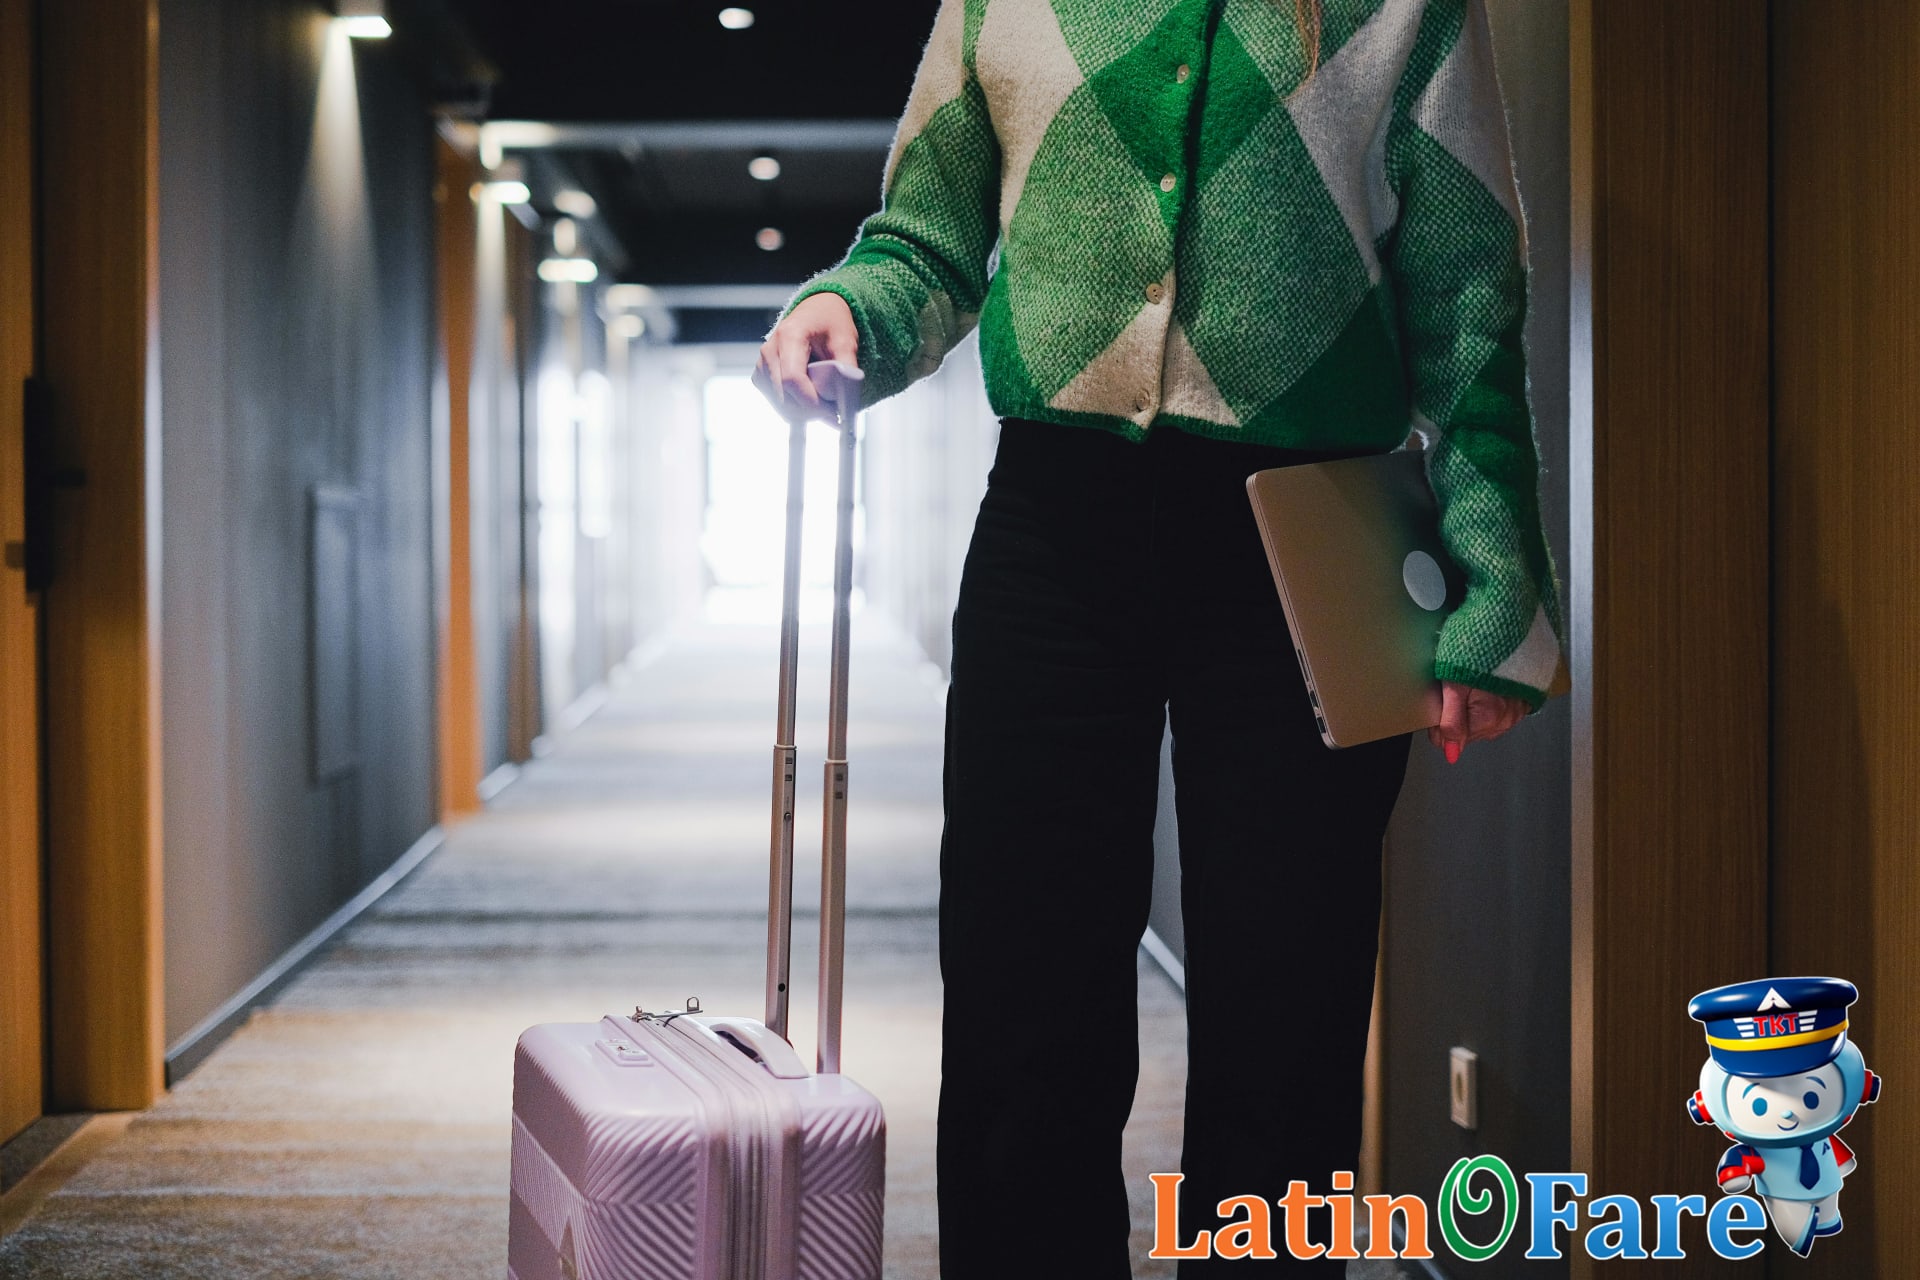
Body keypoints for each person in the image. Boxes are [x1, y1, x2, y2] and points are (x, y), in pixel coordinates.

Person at [756, 0, 1567, 1272]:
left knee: (1288, 1007)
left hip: (1309, 542)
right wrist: (853, 304)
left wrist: (1494, 597)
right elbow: (929, 234)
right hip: (1053, 533)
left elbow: (1470, 299)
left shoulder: (1405, 10)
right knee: (1024, 989)